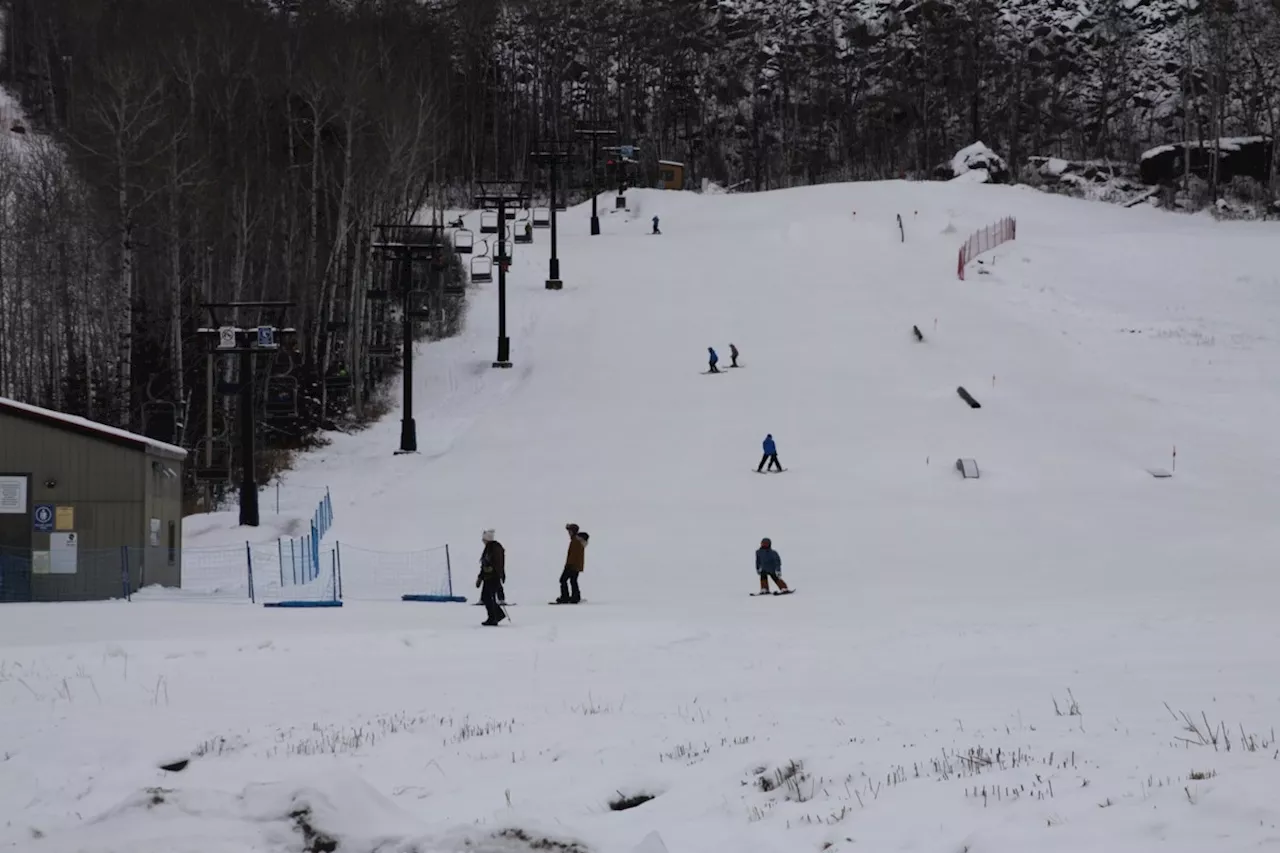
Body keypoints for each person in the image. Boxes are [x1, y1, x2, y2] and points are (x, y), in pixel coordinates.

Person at [477, 529, 507, 626]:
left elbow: (498, 563)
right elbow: (484, 564)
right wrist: (480, 577)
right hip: (487, 577)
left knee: (488, 597)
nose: (483, 541)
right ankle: (494, 616)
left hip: (493, 577)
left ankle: (495, 616)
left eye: (484, 539)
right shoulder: (488, 548)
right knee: (486, 598)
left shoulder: (495, 548)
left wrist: (495, 571)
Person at [557, 523, 586, 603]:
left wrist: (568, 565)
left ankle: (565, 597)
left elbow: (573, 555)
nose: (568, 532)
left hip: (572, 565)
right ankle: (575, 596)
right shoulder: (576, 540)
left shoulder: (576, 541)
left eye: (570, 531)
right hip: (576, 565)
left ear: (573, 531)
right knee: (573, 580)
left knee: (563, 580)